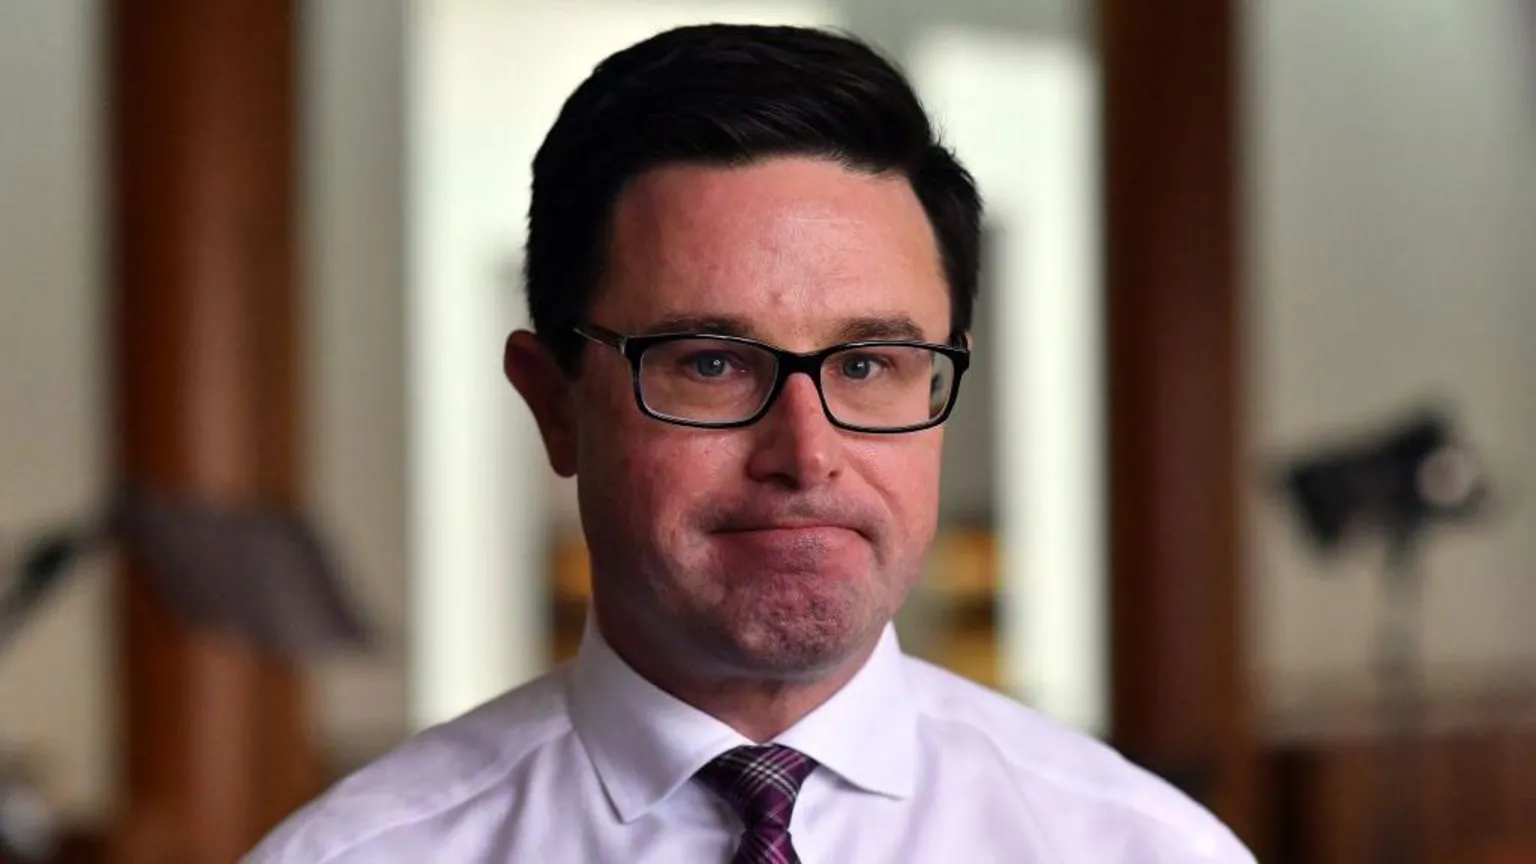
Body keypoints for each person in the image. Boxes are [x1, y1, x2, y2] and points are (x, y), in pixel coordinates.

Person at [249, 23, 1255, 864]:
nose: (806, 454)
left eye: (870, 365)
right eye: (712, 363)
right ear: (555, 403)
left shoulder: (1145, 850)